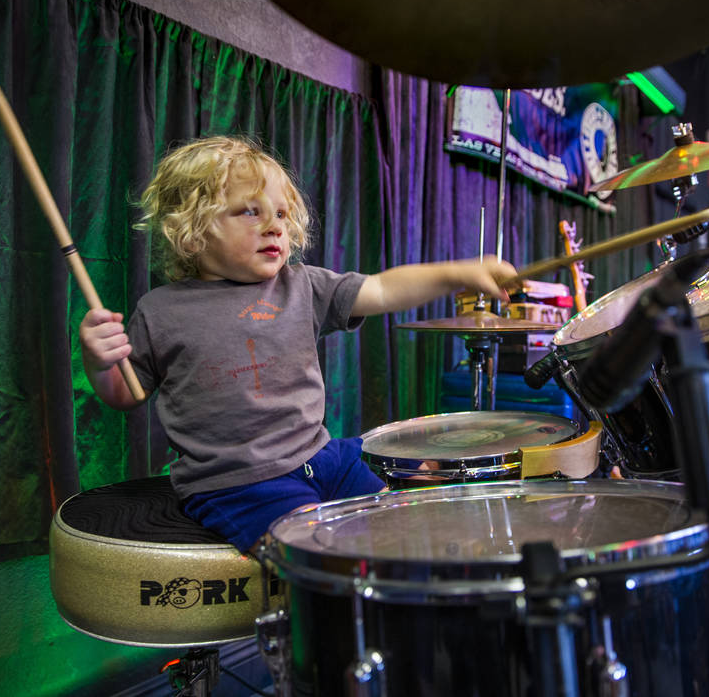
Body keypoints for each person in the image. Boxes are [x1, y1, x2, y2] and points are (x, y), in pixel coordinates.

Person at [79, 135, 517, 556]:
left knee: (404, 512)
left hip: (322, 455)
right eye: (250, 212)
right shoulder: (159, 311)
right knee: (319, 551)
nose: (274, 227)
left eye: (283, 215)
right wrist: (101, 364)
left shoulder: (302, 286)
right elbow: (126, 394)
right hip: (240, 482)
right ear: (194, 230)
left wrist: (459, 272)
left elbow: (382, 290)